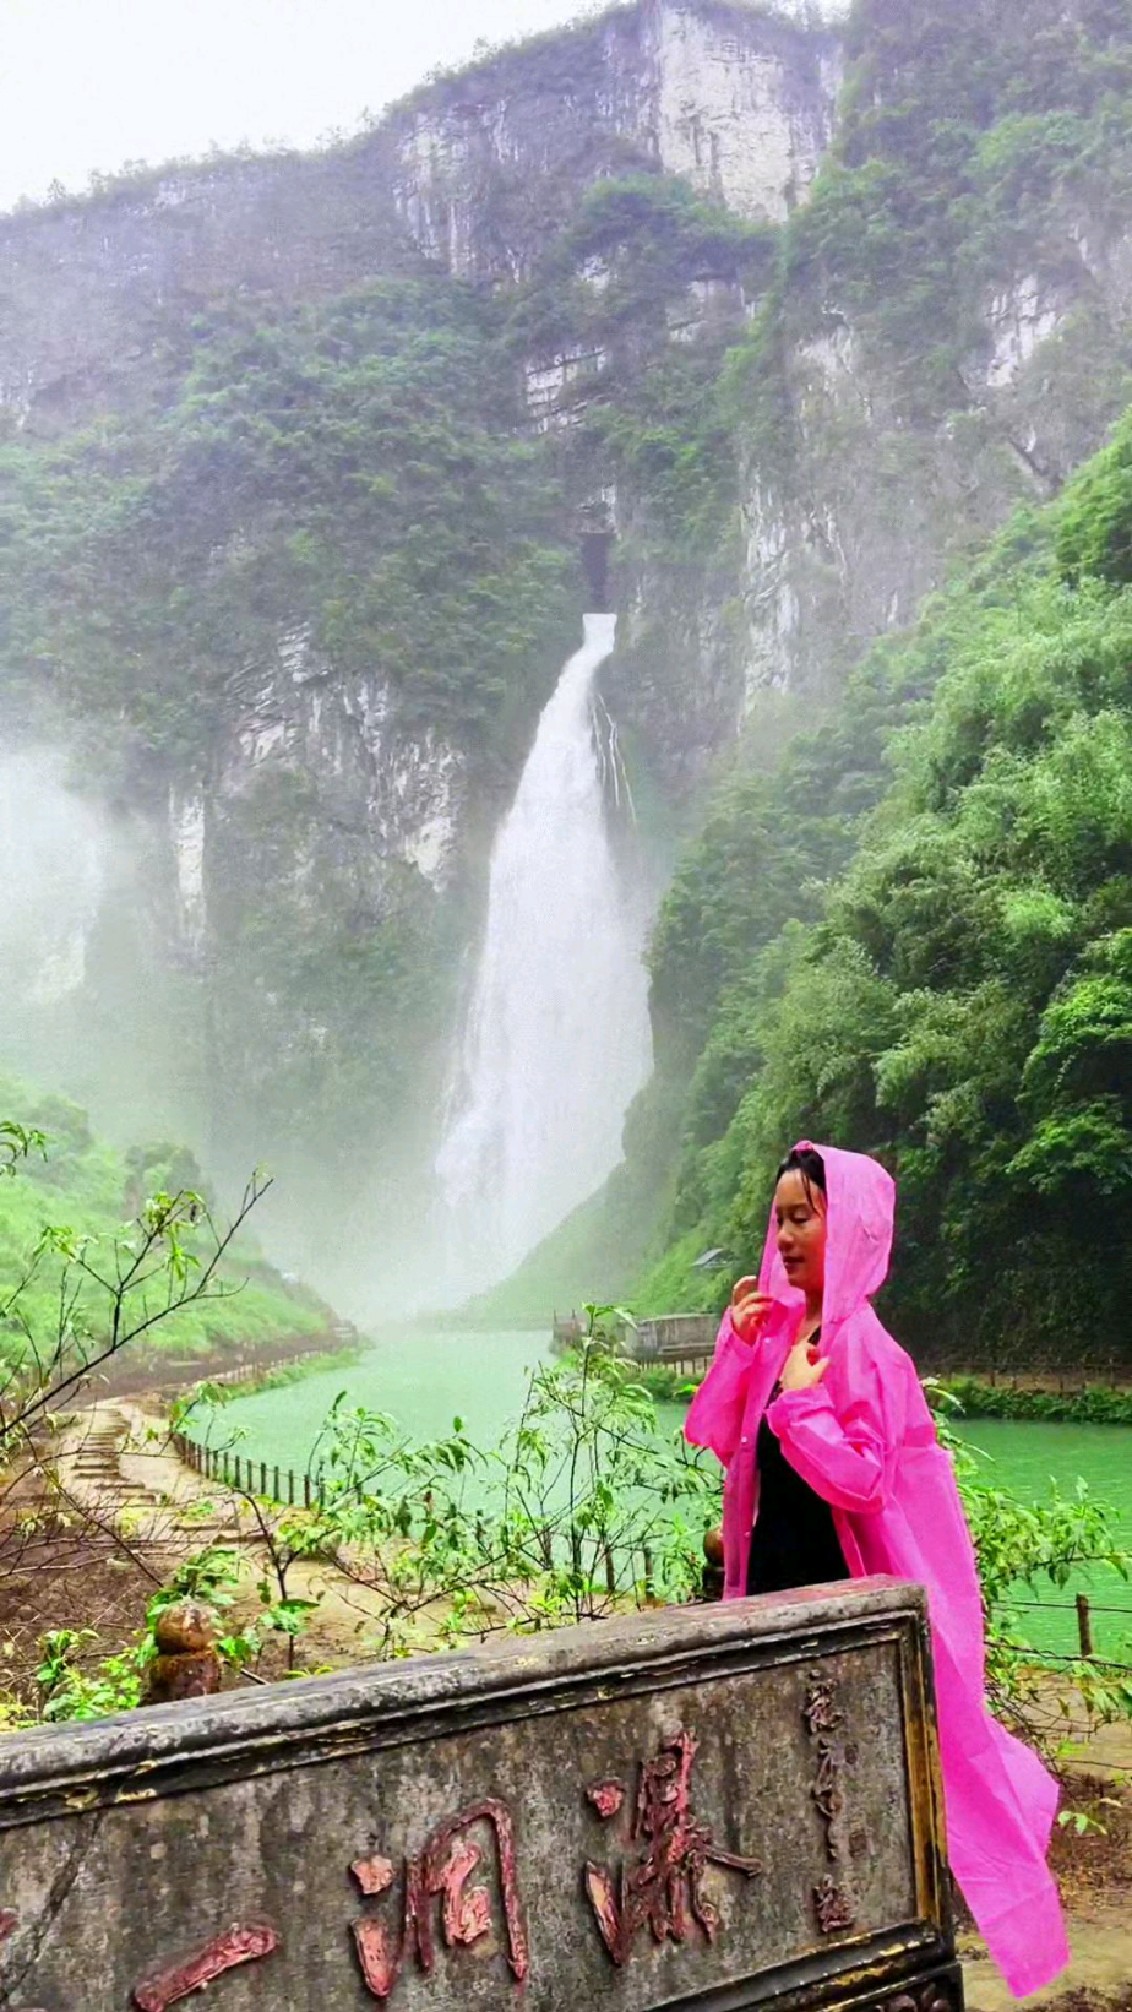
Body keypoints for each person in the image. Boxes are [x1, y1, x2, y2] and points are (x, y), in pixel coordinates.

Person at [685, 1140, 1068, 2001]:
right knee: (794, 1789)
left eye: (802, 1217)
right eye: (777, 1218)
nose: (782, 1237)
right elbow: (721, 1438)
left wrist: (803, 1400)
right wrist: (742, 1347)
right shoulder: (791, 1331)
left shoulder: (868, 1350)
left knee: (841, 1791)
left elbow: (866, 1478)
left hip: (842, 1611)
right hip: (779, 1598)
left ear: (850, 1225)